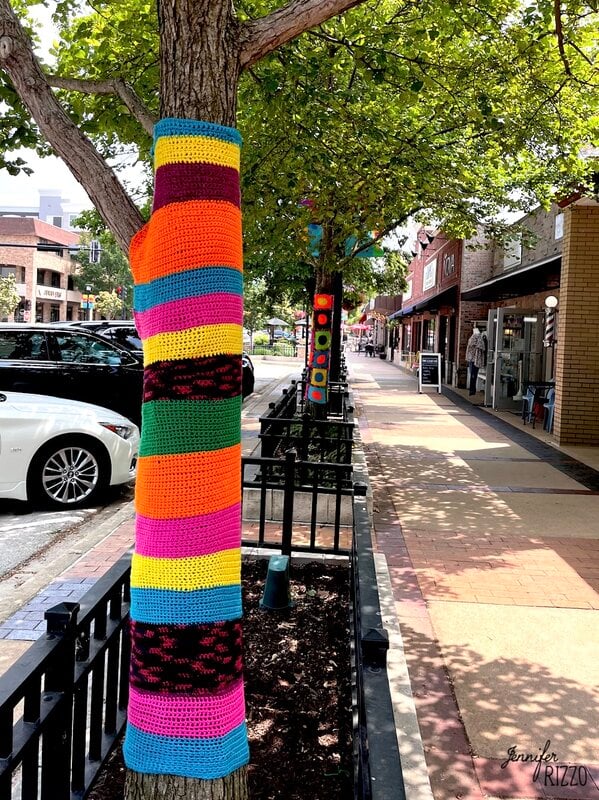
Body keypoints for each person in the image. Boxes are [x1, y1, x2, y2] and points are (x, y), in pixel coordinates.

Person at [465, 326, 486, 395]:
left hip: (472, 359)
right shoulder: (477, 337)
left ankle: (472, 390)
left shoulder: (474, 337)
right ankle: (472, 389)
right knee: (473, 374)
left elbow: (479, 347)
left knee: (473, 374)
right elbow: (482, 347)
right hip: (474, 359)